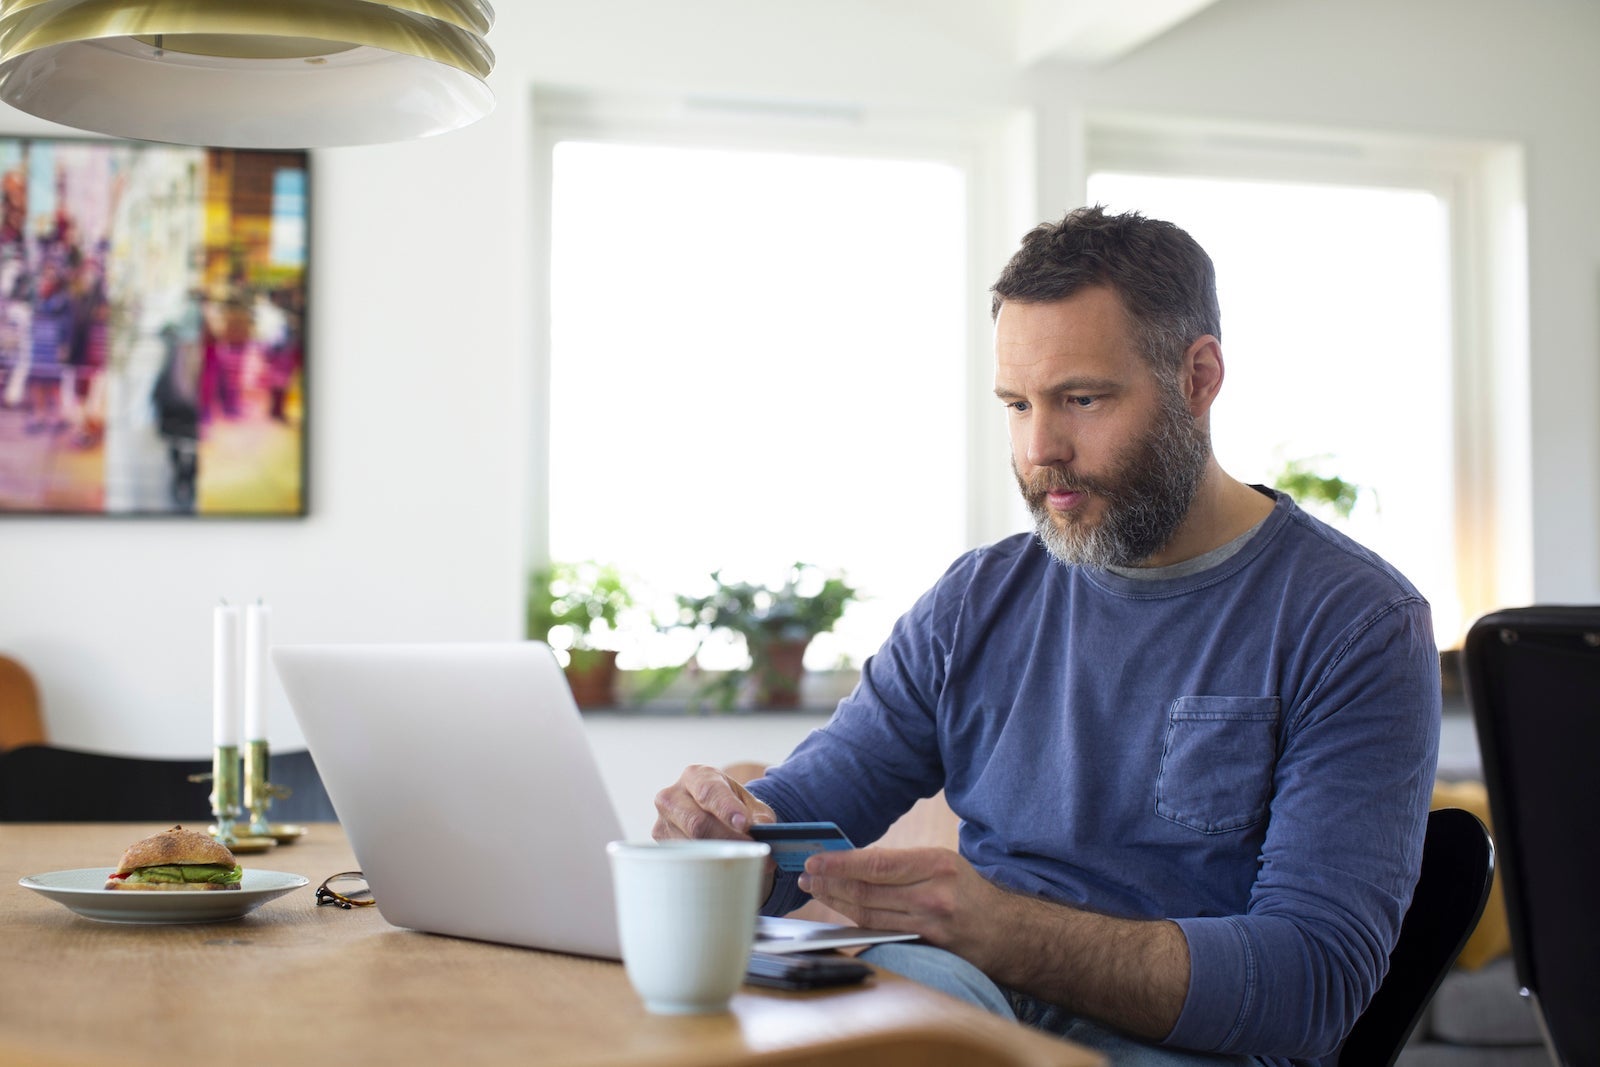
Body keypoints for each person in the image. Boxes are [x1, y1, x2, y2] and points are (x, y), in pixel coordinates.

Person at [653, 206, 1441, 1067]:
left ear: (1200, 377)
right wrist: (727, 835)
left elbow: (1311, 987)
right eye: (1018, 404)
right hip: (964, 1012)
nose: (1040, 449)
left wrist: (1002, 929)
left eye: (1082, 399)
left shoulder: (1356, 622)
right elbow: (803, 816)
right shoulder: (976, 600)